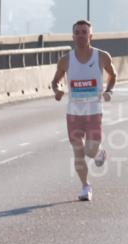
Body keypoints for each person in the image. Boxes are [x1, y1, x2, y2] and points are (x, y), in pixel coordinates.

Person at [50, 19, 117, 201]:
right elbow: (55, 81)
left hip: (94, 111)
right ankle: (86, 186)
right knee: (78, 150)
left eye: (84, 32)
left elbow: (113, 75)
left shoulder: (102, 56)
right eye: (77, 32)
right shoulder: (65, 60)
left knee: (90, 150)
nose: (81, 35)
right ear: (73, 36)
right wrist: (58, 90)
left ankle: (99, 152)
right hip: (74, 113)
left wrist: (109, 90)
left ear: (91, 36)